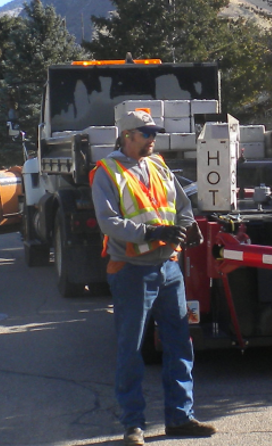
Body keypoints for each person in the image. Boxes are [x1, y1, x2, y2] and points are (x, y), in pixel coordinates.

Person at [91, 110, 216, 446]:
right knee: (130, 350)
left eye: (154, 133)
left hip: (168, 269)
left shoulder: (158, 165)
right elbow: (109, 223)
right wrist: (157, 231)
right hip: (132, 271)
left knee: (179, 343)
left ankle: (180, 418)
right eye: (146, 133)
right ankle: (133, 424)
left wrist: (187, 229)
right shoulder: (107, 172)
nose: (152, 139)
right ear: (127, 135)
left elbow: (183, 205)